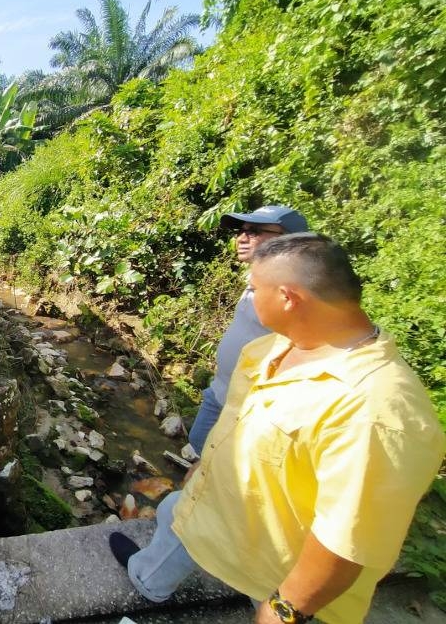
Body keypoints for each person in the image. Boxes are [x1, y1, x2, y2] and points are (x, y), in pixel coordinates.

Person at [109, 233, 445, 623]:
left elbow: (345, 541)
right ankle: (148, 580)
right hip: (219, 506)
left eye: (253, 290)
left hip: (276, 562)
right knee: (174, 514)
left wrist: (283, 609)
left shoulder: (377, 411)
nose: (249, 298)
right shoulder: (278, 347)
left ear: (289, 297)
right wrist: (202, 470)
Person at [187, 205, 309, 455]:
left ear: (288, 240)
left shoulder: (294, 293)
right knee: (200, 444)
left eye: (254, 231)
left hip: (249, 406)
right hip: (221, 391)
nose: (241, 238)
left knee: (222, 464)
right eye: (242, 231)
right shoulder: (258, 279)